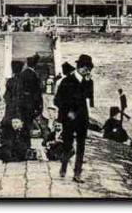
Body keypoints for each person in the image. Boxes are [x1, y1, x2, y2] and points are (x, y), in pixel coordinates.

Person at [54, 54, 94, 182]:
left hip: (83, 118)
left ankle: (77, 173)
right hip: (69, 119)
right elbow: (57, 100)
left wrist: (88, 83)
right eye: (85, 68)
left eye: (89, 69)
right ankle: (64, 167)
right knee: (68, 145)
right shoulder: (66, 81)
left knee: (81, 146)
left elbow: (89, 99)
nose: (87, 71)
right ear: (79, 67)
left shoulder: (88, 81)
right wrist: (66, 113)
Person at [19, 54, 44, 142]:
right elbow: (37, 92)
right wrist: (39, 106)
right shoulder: (34, 75)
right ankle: (27, 142)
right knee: (28, 123)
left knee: (24, 123)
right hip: (31, 103)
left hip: (23, 103)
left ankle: (23, 142)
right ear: (35, 65)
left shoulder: (22, 74)